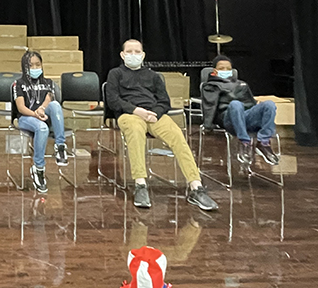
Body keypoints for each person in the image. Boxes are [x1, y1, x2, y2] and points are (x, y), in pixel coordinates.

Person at [105, 39, 218, 211]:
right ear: (122, 55)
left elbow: (164, 101)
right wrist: (137, 111)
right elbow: (113, 100)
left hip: (153, 115)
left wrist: (154, 114)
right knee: (135, 133)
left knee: (177, 136)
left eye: (137, 52)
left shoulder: (154, 76)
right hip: (130, 114)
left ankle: (196, 187)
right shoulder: (115, 74)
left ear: (143, 55)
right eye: (129, 52)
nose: (133, 55)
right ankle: (140, 184)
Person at [202, 55, 280, 166]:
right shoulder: (210, 86)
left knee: (269, 104)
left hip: (245, 115)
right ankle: (245, 142)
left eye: (228, 69)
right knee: (236, 104)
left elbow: (251, 104)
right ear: (215, 71)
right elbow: (209, 106)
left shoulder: (241, 84)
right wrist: (208, 125)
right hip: (227, 118)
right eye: (221, 68)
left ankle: (263, 142)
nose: (225, 71)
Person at [13, 51, 68, 194]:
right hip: (26, 117)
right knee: (42, 128)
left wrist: (42, 109)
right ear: (24, 67)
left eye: (38, 64)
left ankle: (60, 146)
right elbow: (21, 107)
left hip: (43, 114)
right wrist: (35, 114)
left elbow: (49, 99)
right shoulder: (18, 84)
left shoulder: (48, 83)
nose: (35, 67)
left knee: (55, 105)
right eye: (31, 65)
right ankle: (38, 168)